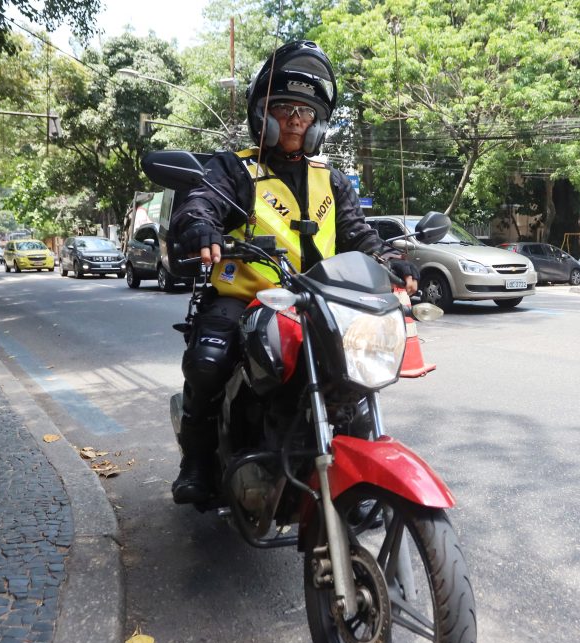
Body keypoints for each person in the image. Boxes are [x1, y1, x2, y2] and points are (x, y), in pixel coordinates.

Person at [167, 40, 418, 504]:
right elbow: (199, 204)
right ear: (261, 115)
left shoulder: (332, 179)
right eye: (283, 108)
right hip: (245, 298)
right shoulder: (235, 169)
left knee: (354, 374)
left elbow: (356, 234)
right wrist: (201, 227)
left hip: (318, 301)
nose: (295, 120)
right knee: (209, 360)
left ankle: (352, 465)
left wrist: (390, 262)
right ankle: (197, 462)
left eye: (305, 112)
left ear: (318, 123)